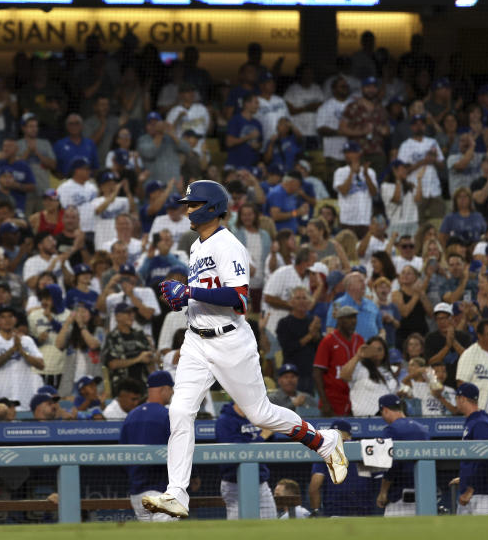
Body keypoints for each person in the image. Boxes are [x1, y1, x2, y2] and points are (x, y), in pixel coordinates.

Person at [143, 181, 347, 519]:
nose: (188, 209)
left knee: (260, 414)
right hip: (195, 340)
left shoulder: (229, 245)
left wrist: (189, 291)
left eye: (193, 204)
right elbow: (202, 293)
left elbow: (239, 299)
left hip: (230, 341)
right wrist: (181, 296)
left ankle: (324, 441)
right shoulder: (196, 246)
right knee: (179, 412)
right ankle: (176, 494)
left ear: (211, 207)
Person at [120, 370, 175, 522]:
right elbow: (179, 450)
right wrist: (194, 475)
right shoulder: (168, 415)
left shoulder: (131, 416)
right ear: (164, 389)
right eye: (171, 389)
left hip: (137, 494)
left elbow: (121, 455)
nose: (171, 393)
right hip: (161, 490)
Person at [217, 401, 278, 520]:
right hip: (234, 484)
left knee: (271, 527)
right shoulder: (224, 421)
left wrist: (269, 434)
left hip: (260, 482)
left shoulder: (256, 417)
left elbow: (270, 444)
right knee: (238, 531)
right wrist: (262, 436)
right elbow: (238, 452)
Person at [308, 420, 380, 518]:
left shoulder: (325, 451)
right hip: (364, 512)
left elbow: (314, 487)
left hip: (335, 513)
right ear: (349, 435)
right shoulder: (364, 449)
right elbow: (379, 482)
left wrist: (316, 511)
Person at [376, 394, 431, 517]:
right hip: (424, 498)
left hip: (399, 499)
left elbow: (391, 465)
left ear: (385, 410)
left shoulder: (391, 430)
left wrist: (383, 491)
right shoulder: (423, 429)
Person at [453, 382, 488, 515]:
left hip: (483, 493)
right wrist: (465, 478)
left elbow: (486, 457)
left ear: (462, 398)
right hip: (475, 491)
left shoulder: (481, 423)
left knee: (484, 535)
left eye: (456, 398)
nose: (455, 402)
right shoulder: (473, 420)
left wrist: (470, 488)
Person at [0, 306, 44, 408]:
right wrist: (12, 350)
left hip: (24, 397)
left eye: (10, 316)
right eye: (3, 317)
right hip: (0, 397)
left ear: (15, 320)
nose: (7, 320)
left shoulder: (26, 340)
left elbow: (41, 364)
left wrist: (23, 352)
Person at [314, 305, 365, 416]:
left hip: (356, 397)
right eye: (349, 318)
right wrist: (324, 402)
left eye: (354, 318)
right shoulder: (328, 341)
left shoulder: (360, 340)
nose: (353, 321)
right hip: (333, 398)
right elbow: (317, 372)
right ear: (340, 320)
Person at [339, 336, 400, 416]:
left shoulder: (389, 371)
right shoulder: (359, 367)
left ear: (385, 352)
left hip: (386, 418)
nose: (376, 352)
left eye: (379, 349)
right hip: (364, 418)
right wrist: (358, 356)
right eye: (372, 349)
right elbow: (343, 376)